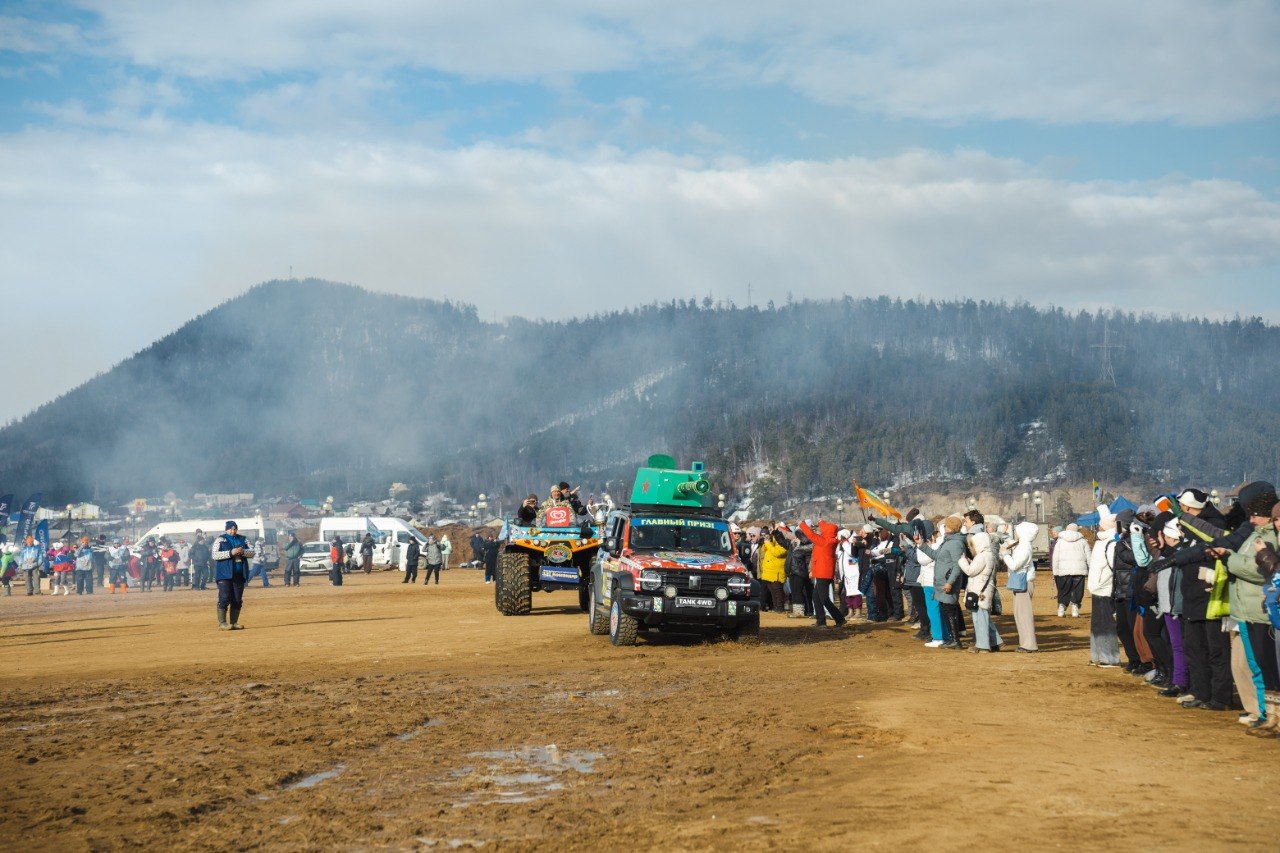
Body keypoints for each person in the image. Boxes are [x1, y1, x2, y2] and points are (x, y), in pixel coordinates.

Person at [919, 516, 966, 649]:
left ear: (950, 527)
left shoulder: (955, 543)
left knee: (950, 610)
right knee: (946, 610)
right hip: (942, 583)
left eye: (945, 525)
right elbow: (935, 556)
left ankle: (956, 640)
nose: (943, 528)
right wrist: (921, 545)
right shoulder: (948, 541)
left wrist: (950, 582)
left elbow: (958, 565)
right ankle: (952, 639)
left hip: (947, 583)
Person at [1086, 510, 1121, 667]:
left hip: (1105, 589)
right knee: (1097, 624)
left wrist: (1099, 583)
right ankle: (1097, 654)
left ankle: (1110, 657)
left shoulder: (1111, 543)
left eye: (1100, 526)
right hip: (1097, 588)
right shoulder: (1104, 542)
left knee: (1106, 624)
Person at [799, 519, 847, 628]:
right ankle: (821, 621)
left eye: (823, 529)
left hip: (823, 573)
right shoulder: (829, 540)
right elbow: (824, 528)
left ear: (827, 531)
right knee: (816, 597)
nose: (821, 530)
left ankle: (839, 619)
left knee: (824, 598)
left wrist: (802, 525)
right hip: (823, 572)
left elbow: (811, 535)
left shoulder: (825, 541)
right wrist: (820, 521)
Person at [1000, 520, 1039, 652]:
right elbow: (1012, 544)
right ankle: (1025, 644)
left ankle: (1030, 645)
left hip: (1023, 583)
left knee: (1024, 615)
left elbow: (1015, 565)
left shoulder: (1024, 547)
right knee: (1020, 614)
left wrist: (1005, 554)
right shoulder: (1023, 545)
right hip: (1021, 582)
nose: (1015, 533)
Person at [962, 530, 1002, 653]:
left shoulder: (982, 556)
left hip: (979, 592)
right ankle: (996, 642)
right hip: (983, 591)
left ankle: (983, 646)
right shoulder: (988, 555)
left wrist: (962, 561)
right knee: (984, 618)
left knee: (980, 619)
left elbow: (970, 571)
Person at [212, 520, 253, 630]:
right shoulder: (220, 540)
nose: (233, 531)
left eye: (234, 529)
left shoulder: (243, 539)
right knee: (224, 597)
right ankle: (222, 623)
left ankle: (234, 622)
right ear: (226, 529)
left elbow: (253, 552)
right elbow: (215, 555)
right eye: (231, 529)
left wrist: (243, 552)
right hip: (224, 574)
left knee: (237, 599)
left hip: (239, 574)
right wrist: (231, 552)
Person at [1052, 523, 1090, 617]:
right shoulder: (1083, 542)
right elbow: (1089, 557)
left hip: (1063, 570)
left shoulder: (1060, 542)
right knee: (1078, 590)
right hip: (1079, 570)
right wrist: (1091, 570)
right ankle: (1075, 609)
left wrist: (1055, 572)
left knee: (1064, 590)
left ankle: (1061, 609)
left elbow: (1055, 558)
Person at [759, 529, 789, 613]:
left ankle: (780, 608)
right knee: (772, 590)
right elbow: (763, 550)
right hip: (769, 572)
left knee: (777, 591)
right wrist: (767, 540)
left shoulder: (784, 545)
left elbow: (777, 553)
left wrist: (768, 543)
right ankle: (776, 607)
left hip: (777, 572)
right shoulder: (772, 544)